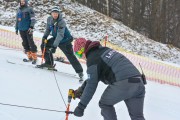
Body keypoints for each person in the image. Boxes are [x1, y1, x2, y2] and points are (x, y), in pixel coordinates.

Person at [73, 38, 146, 120]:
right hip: (138, 82)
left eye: (79, 54)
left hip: (124, 83)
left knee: (105, 104)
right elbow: (92, 79)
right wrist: (81, 89)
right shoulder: (103, 50)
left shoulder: (92, 59)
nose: (81, 57)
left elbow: (91, 85)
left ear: (83, 50)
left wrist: (81, 107)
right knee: (137, 117)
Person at [39, 6, 84, 81]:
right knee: (44, 45)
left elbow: (60, 35)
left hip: (65, 40)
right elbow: (48, 28)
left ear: (59, 13)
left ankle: (80, 72)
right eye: (53, 13)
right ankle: (49, 63)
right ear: (51, 13)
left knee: (70, 56)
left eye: (56, 13)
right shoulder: (49, 19)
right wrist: (44, 37)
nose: (55, 15)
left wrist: (54, 47)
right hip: (56, 37)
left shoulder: (61, 22)